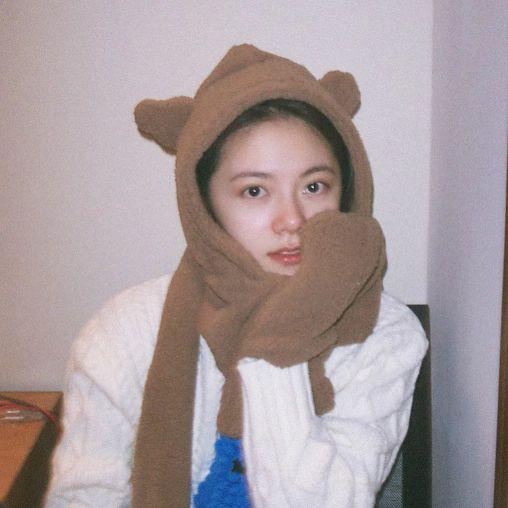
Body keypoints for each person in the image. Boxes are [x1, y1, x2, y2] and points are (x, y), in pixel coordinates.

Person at [45, 44, 428, 508]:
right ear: (204, 204)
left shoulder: (385, 334)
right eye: (254, 191)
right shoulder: (125, 332)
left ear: (346, 191)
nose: (292, 219)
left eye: (314, 186)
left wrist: (283, 337)